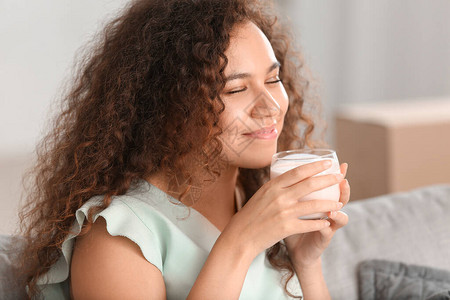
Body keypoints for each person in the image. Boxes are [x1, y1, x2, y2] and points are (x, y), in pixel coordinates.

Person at [17, 0, 350, 299]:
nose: (271, 106)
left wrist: (306, 262)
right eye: (235, 89)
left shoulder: (258, 200)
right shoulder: (117, 236)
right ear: (172, 104)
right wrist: (240, 242)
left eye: (273, 80)